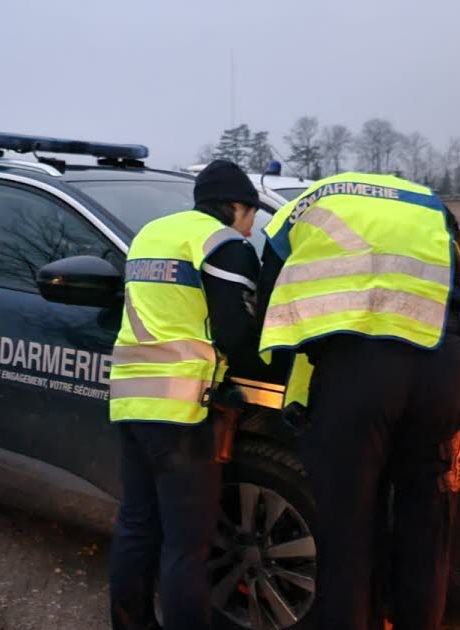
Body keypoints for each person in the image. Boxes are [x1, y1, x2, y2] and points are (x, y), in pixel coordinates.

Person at [257, 172, 460, 629]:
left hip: (360, 370)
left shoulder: (299, 208)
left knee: (348, 530)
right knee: (427, 526)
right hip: (444, 362)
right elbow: (459, 282)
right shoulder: (427, 202)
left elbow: (269, 302)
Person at [108, 159, 267, 630]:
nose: (251, 225)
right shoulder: (223, 244)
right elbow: (237, 332)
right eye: (251, 214)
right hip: (183, 411)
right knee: (185, 545)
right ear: (237, 206)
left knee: (137, 527)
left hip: (131, 401)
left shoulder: (150, 235)